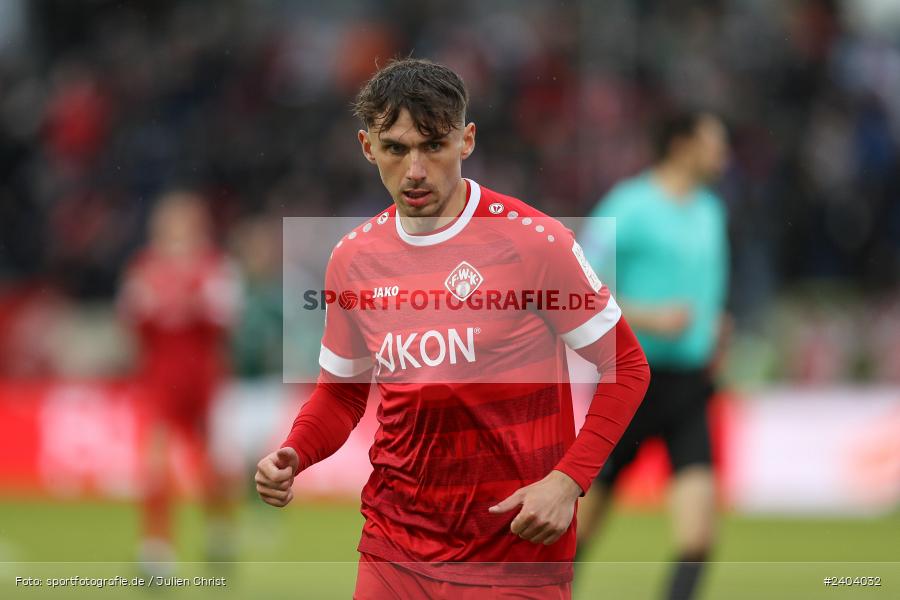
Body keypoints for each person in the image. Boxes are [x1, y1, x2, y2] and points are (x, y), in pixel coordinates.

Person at [255, 58, 650, 599]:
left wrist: (567, 481)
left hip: (513, 552)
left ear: (466, 141)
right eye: (396, 148)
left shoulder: (534, 242)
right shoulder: (353, 259)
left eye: (433, 146)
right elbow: (342, 394)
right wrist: (295, 451)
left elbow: (625, 365)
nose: (415, 170)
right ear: (368, 148)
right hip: (395, 546)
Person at [576, 111, 731, 600]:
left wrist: (718, 324)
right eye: (714, 142)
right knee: (578, 526)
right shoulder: (630, 204)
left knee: (699, 534)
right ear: (682, 145)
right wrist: (647, 316)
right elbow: (580, 280)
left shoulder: (711, 211)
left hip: (689, 384)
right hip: (632, 381)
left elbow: (707, 288)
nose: (722, 153)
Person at [119, 191, 242, 569]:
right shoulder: (144, 268)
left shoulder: (214, 268)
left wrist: (187, 303)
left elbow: (224, 321)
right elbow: (132, 322)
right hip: (160, 379)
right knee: (155, 463)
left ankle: (219, 531)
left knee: (209, 463)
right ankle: (157, 549)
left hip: (201, 379)